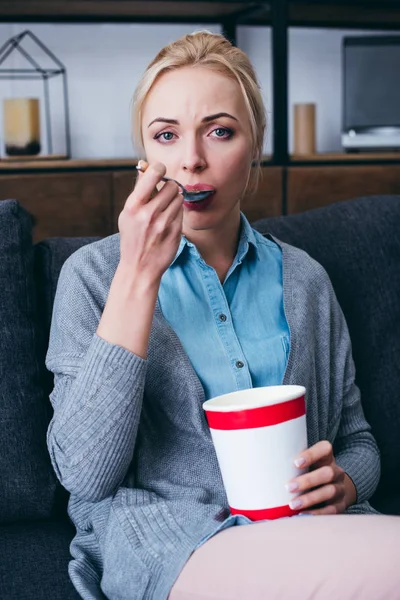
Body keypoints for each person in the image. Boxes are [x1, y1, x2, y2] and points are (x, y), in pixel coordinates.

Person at [46, 31, 399, 600]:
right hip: (171, 545)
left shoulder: (305, 280)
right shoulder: (93, 275)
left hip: (304, 531)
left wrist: (345, 481)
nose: (190, 159)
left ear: (254, 143)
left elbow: (358, 440)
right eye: (166, 135)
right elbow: (85, 477)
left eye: (219, 131)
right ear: (144, 155)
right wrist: (138, 275)